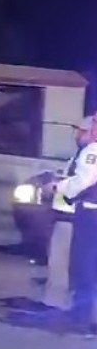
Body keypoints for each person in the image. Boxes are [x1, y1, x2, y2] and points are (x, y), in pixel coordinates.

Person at [48, 115, 97, 333]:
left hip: (90, 213)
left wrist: (59, 187)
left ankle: (81, 317)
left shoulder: (92, 151)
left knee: (84, 265)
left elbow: (83, 181)